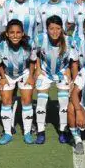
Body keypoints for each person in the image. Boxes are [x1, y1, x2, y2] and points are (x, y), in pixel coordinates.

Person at [31, 15, 73, 145]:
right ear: (47, 29)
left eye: (58, 28)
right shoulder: (39, 39)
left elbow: (74, 60)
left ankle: (62, 130)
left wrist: (70, 75)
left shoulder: (69, 40)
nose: (55, 32)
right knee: (41, 102)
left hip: (62, 72)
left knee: (63, 102)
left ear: (62, 29)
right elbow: (35, 55)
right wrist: (37, 68)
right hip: (45, 72)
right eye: (51, 28)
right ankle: (41, 131)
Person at [0, 19, 36, 145]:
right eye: (12, 32)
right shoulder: (0, 46)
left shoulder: (30, 44)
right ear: (7, 34)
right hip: (7, 74)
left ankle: (27, 132)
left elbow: (33, 61)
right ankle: (8, 133)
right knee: (6, 100)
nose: (15, 35)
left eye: (18, 32)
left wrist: (31, 77)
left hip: (24, 73)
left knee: (27, 100)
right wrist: (3, 77)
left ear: (23, 33)